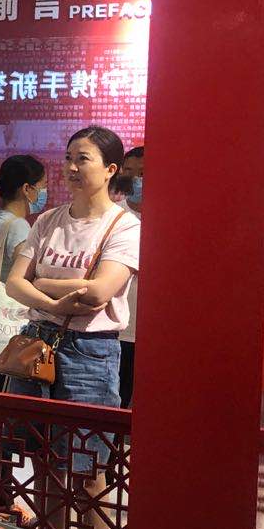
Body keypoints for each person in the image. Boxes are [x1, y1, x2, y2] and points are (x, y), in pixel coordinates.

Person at [5, 126, 141, 415]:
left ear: (110, 170)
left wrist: (40, 282)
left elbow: (99, 291)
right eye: (68, 158)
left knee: (80, 440)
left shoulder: (124, 226)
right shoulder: (48, 220)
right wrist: (53, 304)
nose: (71, 167)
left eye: (83, 159)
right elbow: (14, 282)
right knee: (28, 438)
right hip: (35, 341)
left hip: (88, 352)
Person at [0, 154, 46, 390]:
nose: (44, 193)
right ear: (27, 189)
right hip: (9, 327)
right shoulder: (17, 226)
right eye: (42, 186)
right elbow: (28, 275)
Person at [117, 145, 144, 406]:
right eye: (129, 171)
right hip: (119, 327)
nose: (135, 179)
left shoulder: (171, 216)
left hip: (156, 326)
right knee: (118, 397)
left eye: (143, 173)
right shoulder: (114, 215)